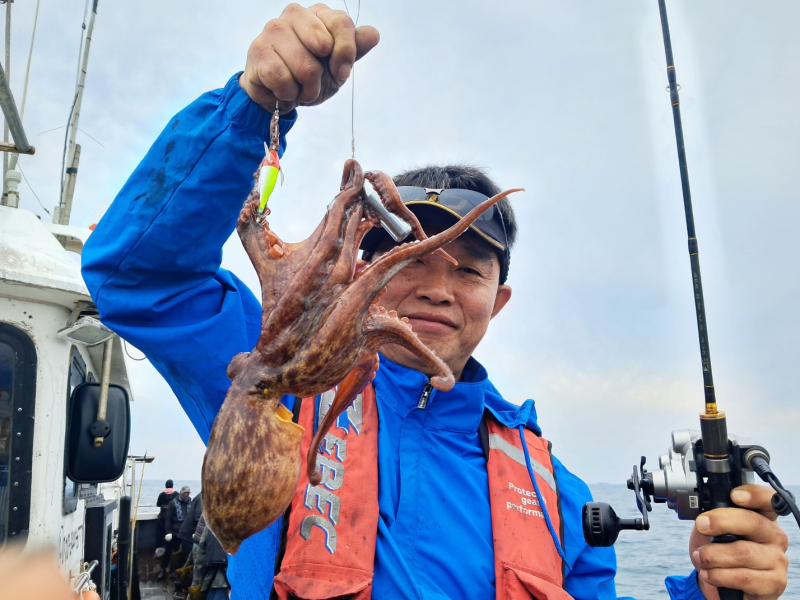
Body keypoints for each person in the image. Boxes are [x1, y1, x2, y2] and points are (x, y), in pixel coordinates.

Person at [82, 4, 789, 599]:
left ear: (498, 301)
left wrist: (717, 587)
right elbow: (139, 275)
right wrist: (253, 106)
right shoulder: (280, 379)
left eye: (470, 270)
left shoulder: (557, 496)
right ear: (367, 269)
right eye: (410, 255)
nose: (436, 286)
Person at [163, 486, 193, 577]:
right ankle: (163, 569)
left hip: (186, 533)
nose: (186, 495)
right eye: (185, 493)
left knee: (184, 552)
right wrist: (168, 532)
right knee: (170, 551)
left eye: (188, 493)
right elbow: (168, 518)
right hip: (175, 531)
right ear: (181, 493)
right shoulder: (172, 503)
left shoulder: (190, 503)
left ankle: (176, 570)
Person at [155, 479, 178, 552]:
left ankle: (159, 549)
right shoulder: (176, 494)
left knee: (160, 533)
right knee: (172, 533)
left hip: (162, 515)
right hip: (172, 517)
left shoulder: (161, 494)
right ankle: (172, 549)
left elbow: (158, 504)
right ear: (172, 485)